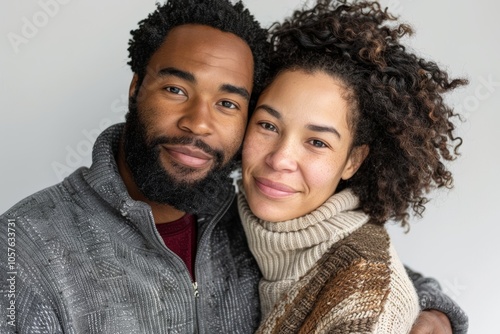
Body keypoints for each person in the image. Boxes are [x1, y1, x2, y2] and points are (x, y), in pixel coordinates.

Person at [0, 0, 466, 333]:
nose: (199, 123)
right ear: (136, 87)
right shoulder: (27, 248)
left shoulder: (245, 215)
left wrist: (434, 314)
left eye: (227, 102)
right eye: (176, 90)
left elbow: (359, 267)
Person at [236, 0, 469, 333]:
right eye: (268, 126)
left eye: (317, 142)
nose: (280, 159)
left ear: (352, 160)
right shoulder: (225, 214)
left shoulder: (364, 301)